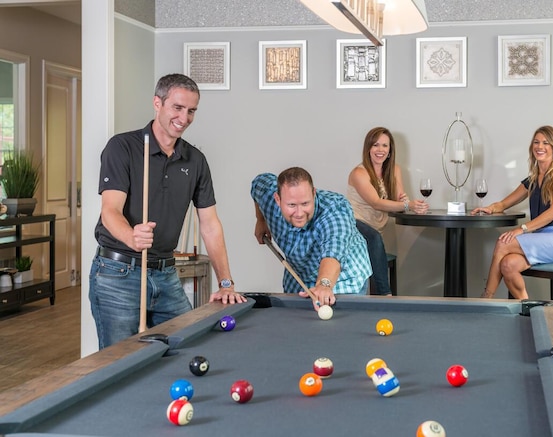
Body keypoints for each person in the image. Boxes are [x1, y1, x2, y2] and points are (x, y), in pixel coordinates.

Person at [90, 73, 246, 349]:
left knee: (190, 346)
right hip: (118, 273)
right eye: (178, 107)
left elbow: (209, 224)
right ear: (157, 103)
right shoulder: (122, 147)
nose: (184, 118)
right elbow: (110, 210)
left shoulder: (195, 160)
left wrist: (225, 282)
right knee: (119, 360)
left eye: (191, 111)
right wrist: (131, 236)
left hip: (165, 274)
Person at [472, 125, 553, 299]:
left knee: (503, 243)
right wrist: (490, 209)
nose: (540, 146)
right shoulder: (532, 179)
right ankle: (528, 310)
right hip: (542, 238)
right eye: (536, 142)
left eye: (546, 143)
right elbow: (503, 204)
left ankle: (486, 298)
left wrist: (522, 229)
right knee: (508, 264)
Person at [251, 167, 372, 309]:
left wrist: (324, 284)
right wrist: (260, 220)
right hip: (298, 278)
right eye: (291, 205)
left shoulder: (335, 209)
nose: (299, 213)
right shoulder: (268, 195)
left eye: (305, 204)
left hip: (343, 280)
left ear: (313, 194)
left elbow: (333, 250)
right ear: (277, 199)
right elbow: (257, 184)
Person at [347, 127, 429, 295]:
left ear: (390, 150)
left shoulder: (394, 170)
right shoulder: (359, 173)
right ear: (368, 148)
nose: (380, 150)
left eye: (385, 146)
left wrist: (408, 203)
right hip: (354, 225)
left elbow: (400, 199)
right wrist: (408, 205)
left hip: (375, 229)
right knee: (374, 238)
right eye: (375, 145)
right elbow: (376, 203)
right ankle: (386, 295)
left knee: (375, 238)